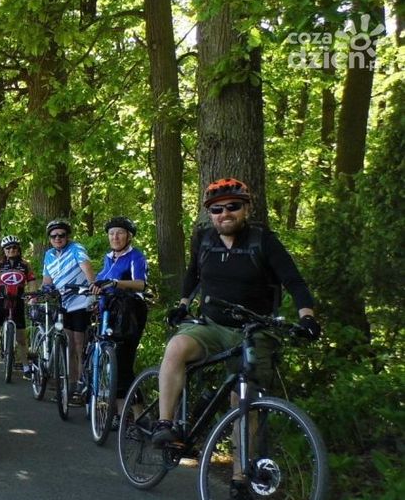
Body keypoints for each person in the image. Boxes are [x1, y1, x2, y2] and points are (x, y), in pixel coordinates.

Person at [153, 178, 319, 480]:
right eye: (217, 209)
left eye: (232, 207)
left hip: (254, 330)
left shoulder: (263, 241)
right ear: (209, 213)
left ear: (246, 208)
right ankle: (165, 424)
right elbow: (193, 274)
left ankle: (240, 477)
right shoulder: (204, 239)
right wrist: (182, 303)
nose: (224, 213)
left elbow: (294, 281)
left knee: (245, 401)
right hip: (212, 325)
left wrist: (306, 317)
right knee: (176, 347)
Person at [88, 217, 149, 414]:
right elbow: (100, 281)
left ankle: (138, 416)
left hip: (130, 313)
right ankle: (120, 415)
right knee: (111, 364)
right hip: (109, 313)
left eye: (120, 233)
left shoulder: (135, 257)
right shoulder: (108, 258)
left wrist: (116, 283)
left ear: (129, 236)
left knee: (123, 365)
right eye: (111, 233)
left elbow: (141, 284)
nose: (115, 237)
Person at [41, 218, 95, 405]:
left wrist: (92, 286)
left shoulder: (76, 249)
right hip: (64, 303)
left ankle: (82, 385)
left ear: (67, 236)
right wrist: (43, 291)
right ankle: (70, 387)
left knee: (80, 345)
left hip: (81, 301)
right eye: (54, 236)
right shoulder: (48, 255)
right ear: (49, 238)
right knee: (69, 345)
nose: (58, 238)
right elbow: (47, 280)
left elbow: (86, 267)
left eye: (61, 235)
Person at [0, 235, 37, 378]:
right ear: (4, 251)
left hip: (18, 302)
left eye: (14, 247)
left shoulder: (25, 265)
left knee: (21, 339)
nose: (11, 250)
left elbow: (31, 281)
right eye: (8, 248)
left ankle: (26, 369)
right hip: (0, 301)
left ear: (18, 249)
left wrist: (33, 295)